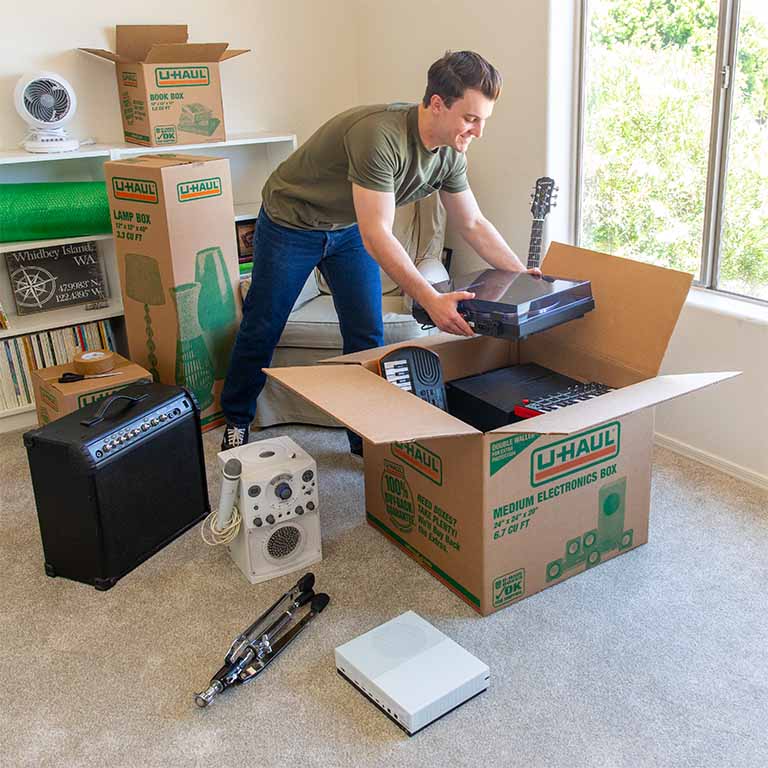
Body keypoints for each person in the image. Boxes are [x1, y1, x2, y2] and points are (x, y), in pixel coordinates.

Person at [220, 50, 539, 453]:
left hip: (347, 227)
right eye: (471, 118)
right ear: (437, 104)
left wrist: (521, 279)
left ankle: (362, 439)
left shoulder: (449, 155)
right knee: (264, 324)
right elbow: (378, 234)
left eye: (483, 121)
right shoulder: (380, 135)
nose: (477, 131)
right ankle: (236, 417)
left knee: (366, 335)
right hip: (292, 222)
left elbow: (472, 223)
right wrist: (431, 298)